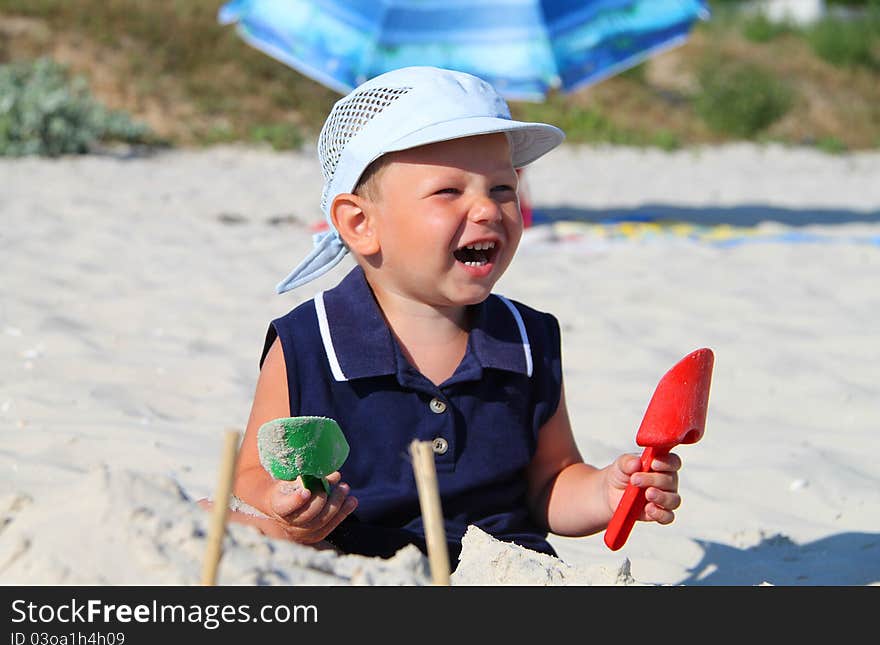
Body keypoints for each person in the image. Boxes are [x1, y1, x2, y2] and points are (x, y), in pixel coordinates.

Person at [221, 66, 682, 564]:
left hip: (502, 568)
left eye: (503, 189)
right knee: (217, 519)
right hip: (356, 564)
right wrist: (283, 504)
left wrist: (604, 494)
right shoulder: (310, 342)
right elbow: (251, 478)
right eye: (449, 192)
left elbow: (550, 482)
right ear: (360, 223)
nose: (487, 210)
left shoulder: (527, 339)